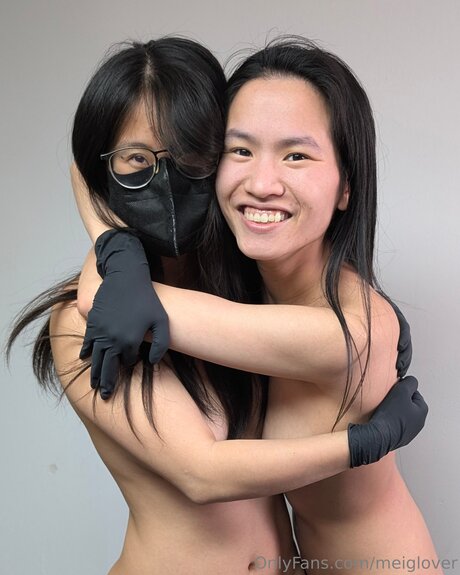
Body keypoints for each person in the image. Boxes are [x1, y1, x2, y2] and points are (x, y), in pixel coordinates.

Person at [8, 37, 427, 575]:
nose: (164, 182)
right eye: (136, 160)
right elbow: (201, 474)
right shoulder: (90, 324)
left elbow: (327, 308)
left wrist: (113, 255)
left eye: (189, 159)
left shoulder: (234, 288)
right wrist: (362, 443)